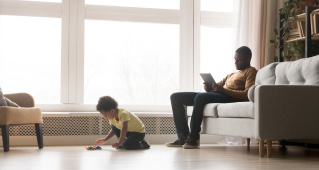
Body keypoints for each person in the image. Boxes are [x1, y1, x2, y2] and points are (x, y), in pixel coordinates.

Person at [166, 46, 257, 149]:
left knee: (200, 97)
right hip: (220, 95)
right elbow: (216, 87)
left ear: (248, 59)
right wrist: (209, 88)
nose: (235, 63)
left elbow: (247, 94)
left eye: (238, 60)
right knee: (175, 97)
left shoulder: (251, 71)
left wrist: (223, 90)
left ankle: (193, 138)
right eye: (235, 59)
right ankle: (182, 137)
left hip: (230, 98)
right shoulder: (232, 74)